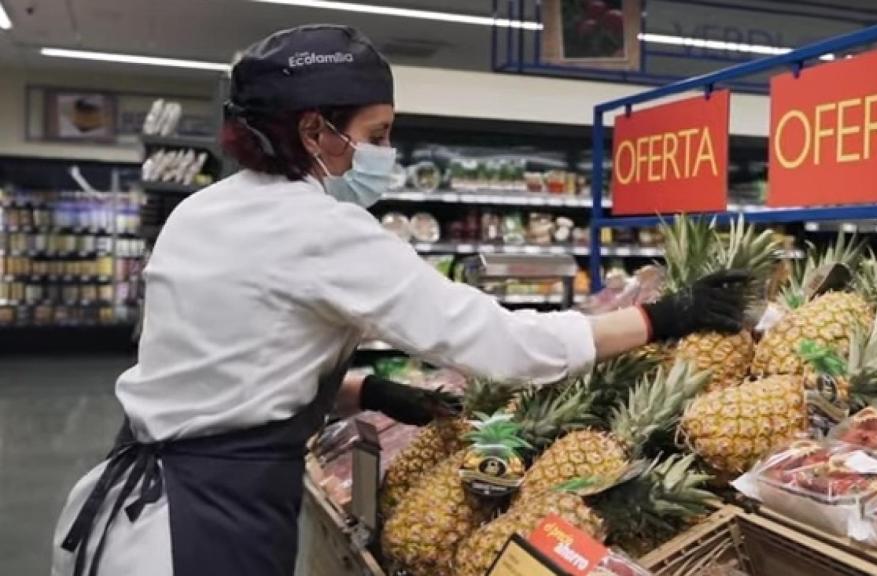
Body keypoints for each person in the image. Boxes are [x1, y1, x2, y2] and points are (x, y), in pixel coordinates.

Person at [51, 24, 746, 576]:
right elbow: (498, 344)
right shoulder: (321, 227)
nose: (388, 151)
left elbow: (227, 366)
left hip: (134, 503)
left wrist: (365, 392)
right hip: (205, 526)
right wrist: (661, 315)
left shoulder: (202, 210)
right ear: (316, 132)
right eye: (377, 134)